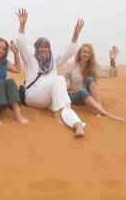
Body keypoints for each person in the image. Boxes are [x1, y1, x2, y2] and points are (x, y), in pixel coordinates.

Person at [15, 8, 87, 137]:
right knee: (59, 79)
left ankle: (78, 125)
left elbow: (68, 54)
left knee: (65, 105)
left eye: (46, 46)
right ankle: (56, 115)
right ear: (36, 48)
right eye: (40, 46)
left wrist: (75, 36)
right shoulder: (30, 59)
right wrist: (22, 26)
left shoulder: (53, 61)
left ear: (49, 48)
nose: (43, 49)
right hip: (33, 97)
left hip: (48, 98)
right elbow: (21, 46)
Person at [65, 43, 124, 121]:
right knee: (82, 91)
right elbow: (65, 80)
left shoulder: (93, 66)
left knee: (90, 79)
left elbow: (111, 73)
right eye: (84, 51)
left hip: (88, 96)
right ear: (80, 53)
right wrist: (68, 88)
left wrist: (112, 61)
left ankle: (99, 109)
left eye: (88, 53)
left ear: (90, 56)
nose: (86, 54)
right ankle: (107, 114)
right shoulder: (72, 65)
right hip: (74, 95)